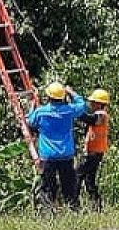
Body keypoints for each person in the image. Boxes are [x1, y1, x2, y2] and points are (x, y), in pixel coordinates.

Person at [27, 82, 88, 211]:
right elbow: (82, 106)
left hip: (48, 156)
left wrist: (32, 104)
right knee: (69, 185)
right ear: (62, 96)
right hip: (66, 155)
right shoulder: (69, 110)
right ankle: (73, 209)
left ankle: (49, 212)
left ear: (48, 97)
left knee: (48, 186)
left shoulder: (41, 112)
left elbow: (30, 121)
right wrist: (72, 92)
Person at [76, 88, 111, 211]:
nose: (91, 104)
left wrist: (76, 111)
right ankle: (97, 207)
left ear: (100, 104)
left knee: (77, 175)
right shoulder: (98, 114)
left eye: (93, 102)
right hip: (93, 152)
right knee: (89, 180)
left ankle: (74, 205)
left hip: (94, 154)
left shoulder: (101, 115)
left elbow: (89, 119)